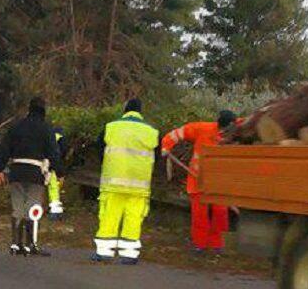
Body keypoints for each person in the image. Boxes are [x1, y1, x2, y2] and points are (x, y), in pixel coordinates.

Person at [91, 98, 159, 265]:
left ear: (125, 110)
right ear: (140, 112)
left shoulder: (111, 127)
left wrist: (107, 164)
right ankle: (129, 254)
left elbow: (99, 149)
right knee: (134, 218)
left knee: (109, 216)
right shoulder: (151, 131)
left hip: (113, 182)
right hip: (139, 185)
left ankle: (104, 252)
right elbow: (157, 156)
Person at [0, 97, 64, 256]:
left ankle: (15, 244)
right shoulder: (46, 129)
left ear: (29, 109)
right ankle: (30, 244)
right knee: (33, 208)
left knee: (18, 206)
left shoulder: (16, 127)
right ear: (43, 111)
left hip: (16, 171)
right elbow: (54, 153)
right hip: (35, 173)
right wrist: (59, 172)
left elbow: (4, 149)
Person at [160, 110, 237, 253]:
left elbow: (248, 121)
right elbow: (178, 133)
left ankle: (216, 244)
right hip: (197, 180)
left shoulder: (235, 130)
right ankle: (199, 244)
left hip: (219, 183)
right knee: (199, 214)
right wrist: (166, 145)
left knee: (220, 213)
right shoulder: (203, 129)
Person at [47, 127, 67, 220]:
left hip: (43, 164)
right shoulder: (61, 139)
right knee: (54, 187)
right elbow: (62, 154)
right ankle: (55, 212)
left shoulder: (47, 136)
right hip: (55, 165)